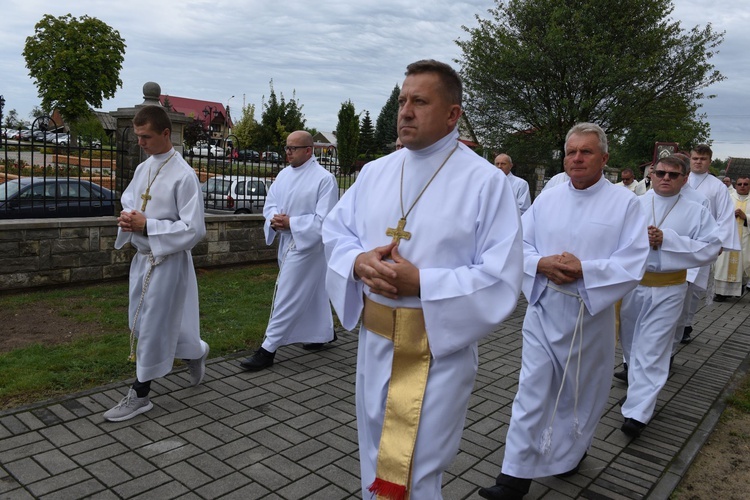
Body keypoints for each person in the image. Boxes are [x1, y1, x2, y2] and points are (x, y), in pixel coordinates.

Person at [322, 59, 523, 500]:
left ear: (453, 114)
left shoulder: (486, 182)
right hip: (374, 345)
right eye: (402, 101)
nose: (405, 112)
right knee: (374, 459)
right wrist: (357, 261)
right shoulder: (376, 172)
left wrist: (424, 283)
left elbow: (502, 277)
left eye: (419, 101)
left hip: (436, 351)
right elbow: (335, 231)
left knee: (413, 470)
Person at [478, 123, 649, 500]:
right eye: (571, 151)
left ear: (604, 158)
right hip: (543, 307)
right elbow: (518, 243)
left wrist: (584, 269)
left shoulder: (626, 204)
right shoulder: (549, 198)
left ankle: (570, 453)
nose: (576, 158)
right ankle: (513, 478)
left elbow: (633, 261)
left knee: (578, 395)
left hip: (588, 314)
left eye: (586, 152)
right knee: (530, 391)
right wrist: (540, 265)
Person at [105, 105, 208, 422]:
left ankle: (140, 394)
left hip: (168, 262)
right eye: (137, 136)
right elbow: (129, 201)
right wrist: (128, 217)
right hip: (143, 259)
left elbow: (194, 230)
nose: (140, 143)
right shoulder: (144, 168)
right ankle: (195, 349)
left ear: (166, 134)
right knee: (143, 321)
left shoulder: (184, 176)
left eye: (145, 136)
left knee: (150, 326)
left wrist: (148, 225)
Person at [618, 156, 720, 438]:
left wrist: (668, 240)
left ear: (684, 179)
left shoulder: (696, 209)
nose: (665, 178)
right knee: (631, 344)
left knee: (653, 347)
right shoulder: (634, 204)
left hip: (670, 287)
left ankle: (637, 412)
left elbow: (712, 247)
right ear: (651, 174)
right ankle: (638, 395)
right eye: (660, 172)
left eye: (673, 175)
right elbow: (615, 240)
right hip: (633, 285)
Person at [239, 131, 339, 371]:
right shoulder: (283, 175)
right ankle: (323, 334)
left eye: (293, 148)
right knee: (312, 292)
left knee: (287, 293)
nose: (288, 152)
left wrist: (292, 223)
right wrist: (275, 218)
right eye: (286, 148)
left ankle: (268, 349)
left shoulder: (324, 179)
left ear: (308, 150)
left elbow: (325, 220)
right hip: (286, 240)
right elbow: (271, 203)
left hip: (308, 246)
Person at [677, 144, 739, 343]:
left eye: (702, 159)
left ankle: (686, 324)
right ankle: (673, 323)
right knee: (676, 284)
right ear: (690, 159)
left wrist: (719, 243)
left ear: (709, 161)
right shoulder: (680, 180)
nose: (698, 162)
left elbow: (724, 217)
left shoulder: (717, 187)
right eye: (695, 158)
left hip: (703, 242)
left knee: (693, 287)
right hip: (678, 239)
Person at [713, 175, 750, 300]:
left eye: (746, 184)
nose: (742, 186)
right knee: (723, 266)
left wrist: (746, 218)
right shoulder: (728, 198)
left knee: (744, 266)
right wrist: (730, 216)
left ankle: (738, 290)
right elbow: (718, 215)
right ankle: (720, 293)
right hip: (728, 237)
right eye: (740, 184)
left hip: (745, 239)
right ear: (735, 185)